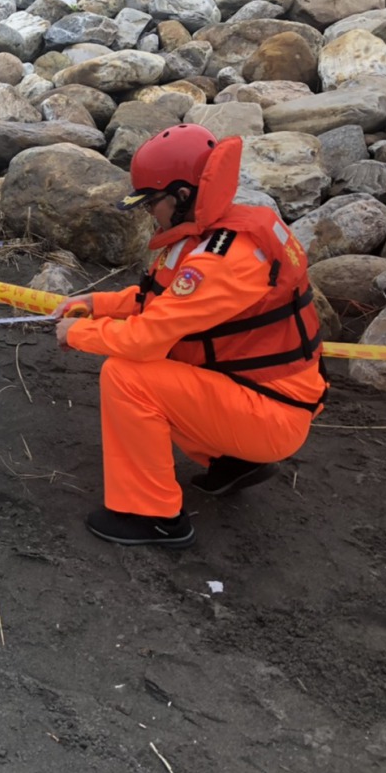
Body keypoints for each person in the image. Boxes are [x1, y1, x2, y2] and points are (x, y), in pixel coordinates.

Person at [51, 124, 327, 548]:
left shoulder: (221, 260)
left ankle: (154, 517)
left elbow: (145, 338)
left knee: (128, 377)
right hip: (267, 399)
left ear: (182, 195)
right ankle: (231, 461)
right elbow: (162, 302)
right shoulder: (219, 233)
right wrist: (97, 304)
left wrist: (79, 333)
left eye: (151, 203)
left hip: (271, 413)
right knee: (160, 370)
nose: (148, 214)